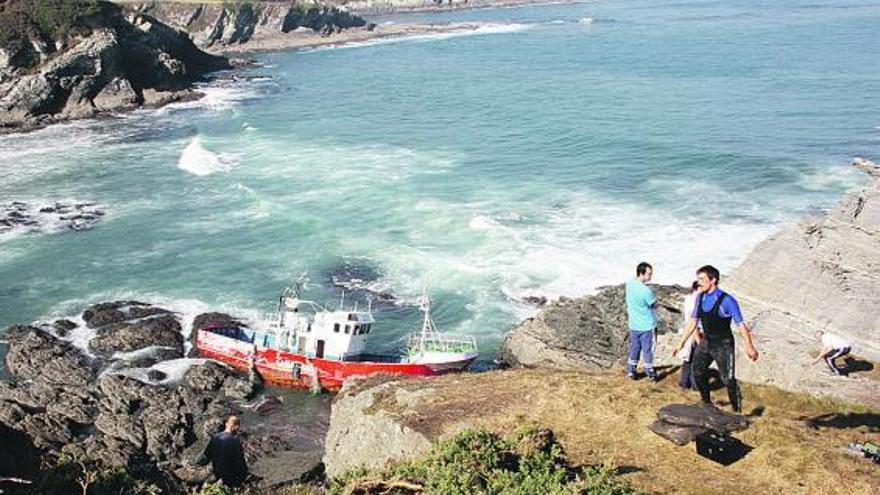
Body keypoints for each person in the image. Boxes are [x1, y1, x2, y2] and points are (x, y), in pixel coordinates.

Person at [674, 265, 759, 413]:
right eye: (698, 279)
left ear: (713, 280)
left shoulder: (727, 300)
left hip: (723, 344)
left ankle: (737, 411)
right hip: (706, 342)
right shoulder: (700, 297)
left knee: (728, 379)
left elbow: (741, 325)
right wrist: (681, 343)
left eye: (702, 279)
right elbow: (693, 322)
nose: (698, 282)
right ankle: (706, 403)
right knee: (697, 372)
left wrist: (749, 346)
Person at [625, 262, 657, 381]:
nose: (651, 276)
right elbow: (653, 304)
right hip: (647, 325)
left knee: (635, 348)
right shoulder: (646, 291)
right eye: (649, 274)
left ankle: (631, 371)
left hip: (634, 324)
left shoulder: (629, 284)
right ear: (642, 273)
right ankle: (650, 372)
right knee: (648, 350)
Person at [201, 415, 249, 487]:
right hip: (229, 476)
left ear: (226, 424)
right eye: (238, 427)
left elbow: (206, 455)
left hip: (217, 472)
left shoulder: (215, 437)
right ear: (236, 427)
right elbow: (241, 462)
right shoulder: (235, 441)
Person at [677, 281, 700, 390]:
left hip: (687, 330)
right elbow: (694, 319)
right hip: (695, 332)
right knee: (697, 359)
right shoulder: (697, 299)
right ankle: (695, 385)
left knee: (688, 359)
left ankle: (684, 382)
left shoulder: (688, 297)